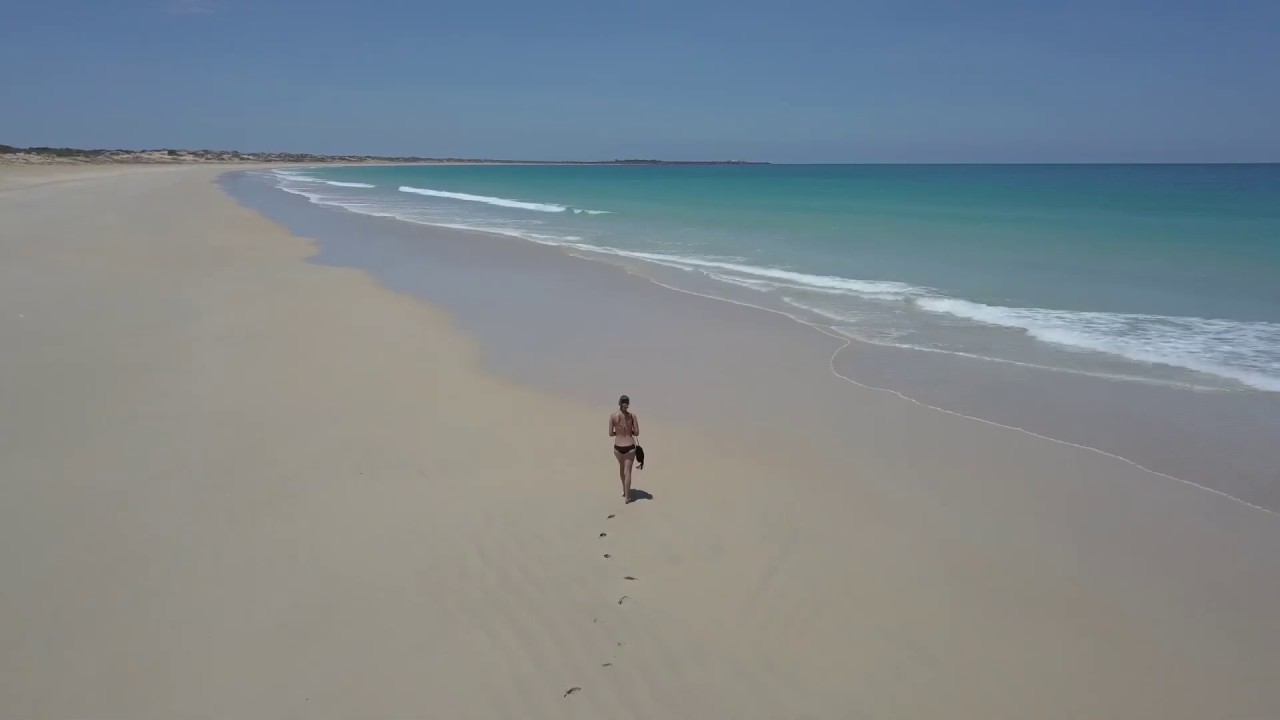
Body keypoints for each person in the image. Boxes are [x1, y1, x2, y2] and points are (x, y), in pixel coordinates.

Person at [609, 395, 639, 503]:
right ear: (628, 403)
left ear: (619, 403)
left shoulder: (613, 416)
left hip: (618, 447)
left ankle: (624, 490)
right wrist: (629, 432)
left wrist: (618, 433)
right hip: (629, 447)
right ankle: (627, 497)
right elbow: (636, 433)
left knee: (621, 469)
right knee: (628, 472)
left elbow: (610, 433)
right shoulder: (632, 416)